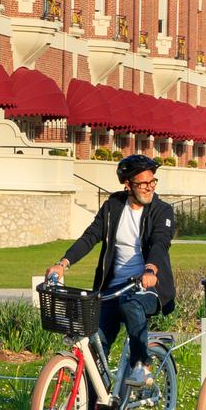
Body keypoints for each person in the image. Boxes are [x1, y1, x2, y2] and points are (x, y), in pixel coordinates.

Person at [46, 154, 178, 387]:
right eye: (143, 183)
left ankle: (141, 365)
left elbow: (160, 242)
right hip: (112, 288)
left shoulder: (162, 210)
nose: (149, 188)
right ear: (127, 185)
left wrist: (150, 270)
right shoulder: (112, 207)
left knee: (132, 304)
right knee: (96, 344)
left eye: (152, 182)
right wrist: (63, 263)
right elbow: (90, 237)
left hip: (149, 286)